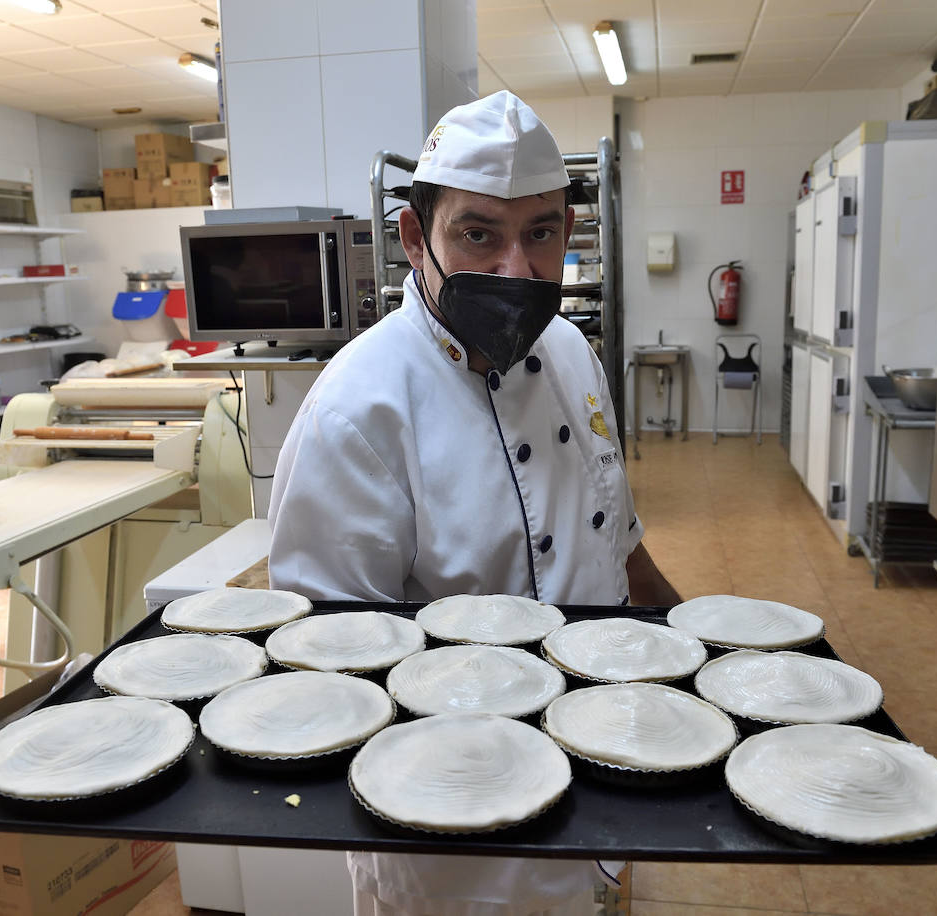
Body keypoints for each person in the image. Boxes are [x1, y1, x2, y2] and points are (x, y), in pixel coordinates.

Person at [268, 90, 680, 916]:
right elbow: (328, 667)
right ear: (416, 237)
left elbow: (616, 542)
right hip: (449, 829)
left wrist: (702, 652)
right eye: (479, 234)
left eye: (542, 233)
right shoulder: (360, 410)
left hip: (600, 763)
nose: (517, 271)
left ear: (570, 230)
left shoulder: (570, 352)